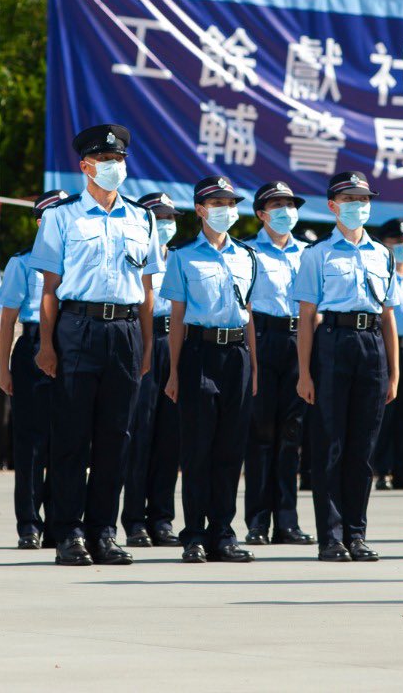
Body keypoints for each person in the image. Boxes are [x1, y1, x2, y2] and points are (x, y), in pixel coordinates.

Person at [29, 125, 164, 567]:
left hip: (125, 331)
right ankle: (68, 532)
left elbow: (147, 290)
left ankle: (103, 532)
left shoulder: (141, 219)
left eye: (118, 160)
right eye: (105, 161)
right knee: (71, 436)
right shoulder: (61, 216)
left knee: (115, 437)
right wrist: (46, 344)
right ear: (85, 166)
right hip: (78, 328)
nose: (113, 167)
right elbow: (50, 288)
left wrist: (146, 346)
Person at [294, 171, 399, 562]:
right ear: (333, 206)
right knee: (331, 446)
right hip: (333, 342)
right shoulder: (317, 254)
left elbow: (388, 315)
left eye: (364, 199)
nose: (358, 206)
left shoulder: (382, 254)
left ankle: (357, 534)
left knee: (363, 448)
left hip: (371, 345)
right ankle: (332, 537)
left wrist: (394, 372)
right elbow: (307, 317)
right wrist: (305, 373)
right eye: (350, 199)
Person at [162, 175, 257, 563]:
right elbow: (177, 318)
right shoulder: (183, 256)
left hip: (237, 354)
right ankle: (195, 534)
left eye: (230, 203)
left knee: (230, 449)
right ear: (200, 209)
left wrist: (255, 367)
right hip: (199, 353)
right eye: (217, 204)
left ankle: (223, 532)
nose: (225, 210)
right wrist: (173, 371)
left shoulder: (246, 256)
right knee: (197, 449)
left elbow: (249, 315)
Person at [242, 180, 314, 547]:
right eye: (277, 205)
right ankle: (257, 520)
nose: (286, 212)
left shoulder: (308, 253)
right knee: (260, 435)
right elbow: (246, 309)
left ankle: (287, 521)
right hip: (262, 339)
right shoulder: (248, 252)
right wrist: (252, 363)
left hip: (297, 341)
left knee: (291, 435)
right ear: (261, 213)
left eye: (290, 205)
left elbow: (315, 307)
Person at [0, 189, 67, 548]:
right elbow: (8, 318)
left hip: (71, 343)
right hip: (33, 344)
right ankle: (29, 523)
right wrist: (3, 367)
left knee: (64, 441)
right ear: (40, 222)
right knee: (30, 443)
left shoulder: (76, 257)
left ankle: (59, 522)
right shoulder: (22, 262)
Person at [121, 191, 182, 548]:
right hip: (145, 340)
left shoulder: (179, 257)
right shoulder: (135, 254)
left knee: (169, 438)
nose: (165, 224)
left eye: (170, 218)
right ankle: (134, 521)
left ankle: (162, 519)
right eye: (158, 218)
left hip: (174, 343)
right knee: (140, 434)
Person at [374, 217, 403, 492]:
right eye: (396, 241)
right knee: (386, 412)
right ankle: (381, 471)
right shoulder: (381, 274)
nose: (402, 246)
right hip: (387, 349)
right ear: (384, 244)